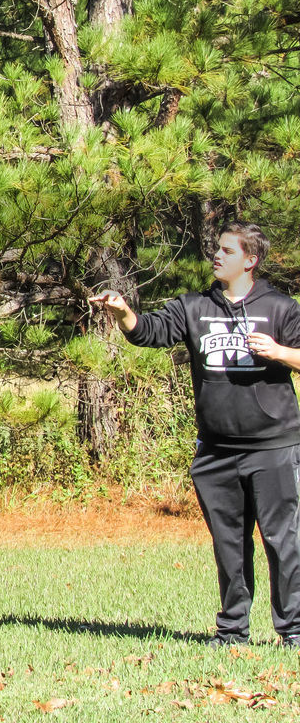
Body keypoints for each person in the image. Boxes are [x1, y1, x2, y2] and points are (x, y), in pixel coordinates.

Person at [91, 222, 300, 647]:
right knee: (229, 546)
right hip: (216, 453)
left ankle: (293, 630)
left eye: (227, 250)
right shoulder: (194, 307)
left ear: (251, 260)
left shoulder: (280, 308)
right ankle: (232, 631)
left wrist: (279, 352)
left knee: (284, 543)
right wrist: (124, 313)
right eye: (217, 249)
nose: (217, 256)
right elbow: (149, 332)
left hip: (274, 448)